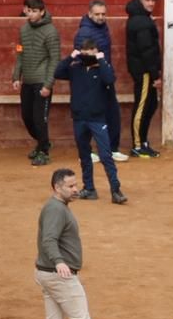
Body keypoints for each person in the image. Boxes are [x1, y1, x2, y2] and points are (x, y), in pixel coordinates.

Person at [35, 167, 117, 319]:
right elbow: (48, 240)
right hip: (59, 276)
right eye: (70, 186)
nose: (75, 189)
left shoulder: (56, 207)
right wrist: (59, 262)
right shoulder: (56, 210)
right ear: (56, 187)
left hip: (46, 273)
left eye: (75, 184)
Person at [54, 42, 127, 205]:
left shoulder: (103, 69)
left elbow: (110, 79)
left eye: (91, 53)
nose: (87, 57)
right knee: (84, 155)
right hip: (79, 118)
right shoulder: (75, 68)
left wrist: (101, 60)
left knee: (106, 155)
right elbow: (57, 72)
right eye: (84, 53)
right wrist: (71, 57)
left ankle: (115, 190)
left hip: (97, 118)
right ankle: (89, 188)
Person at [73, 0, 124, 162]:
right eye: (97, 14)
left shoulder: (103, 28)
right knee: (90, 115)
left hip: (104, 76)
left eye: (103, 14)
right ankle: (85, 152)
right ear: (89, 14)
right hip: (92, 79)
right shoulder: (84, 32)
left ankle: (112, 149)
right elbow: (81, 58)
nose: (101, 17)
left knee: (112, 113)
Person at [12, 0, 60, 167]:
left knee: (40, 119)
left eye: (35, 11)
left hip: (41, 81)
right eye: (29, 11)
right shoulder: (23, 30)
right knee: (27, 116)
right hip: (27, 80)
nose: (31, 14)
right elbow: (20, 53)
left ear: (42, 12)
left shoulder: (51, 32)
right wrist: (16, 76)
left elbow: (55, 59)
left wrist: (48, 84)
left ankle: (44, 151)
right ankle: (42, 142)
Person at [125, 0, 162, 159]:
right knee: (143, 105)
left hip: (144, 69)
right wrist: (155, 75)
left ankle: (143, 142)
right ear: (140, 2)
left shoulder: (141, 19)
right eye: (147, 0)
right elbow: (147, 50)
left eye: (152, 0)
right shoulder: (142, 22)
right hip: (144, 71)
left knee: (151, 104)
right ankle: (138, 145)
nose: (151, 3)